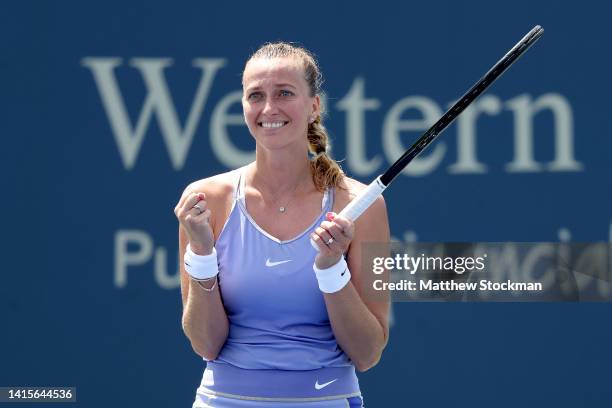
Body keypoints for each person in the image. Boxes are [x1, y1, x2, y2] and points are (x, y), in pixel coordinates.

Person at [174, 42, 390, 408]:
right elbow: (205, 344)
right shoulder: (205, 202)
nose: (269, 109)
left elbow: (367, 353)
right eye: (255, 95)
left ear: (314, 106)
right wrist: (202, 253)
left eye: (285, 93)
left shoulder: (360, 206)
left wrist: (331, 269)